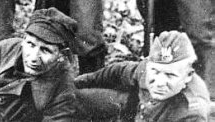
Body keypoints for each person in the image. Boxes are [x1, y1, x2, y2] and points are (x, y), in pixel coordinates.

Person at [75, 31, 210, 121]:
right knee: (72, 98)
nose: (159, 82)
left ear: (188, 76)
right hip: (134, 108)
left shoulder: (192, 112)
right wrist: (78, 82)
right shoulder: (146, 68)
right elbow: (117, 71)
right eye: (155, 71)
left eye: (170, 75)